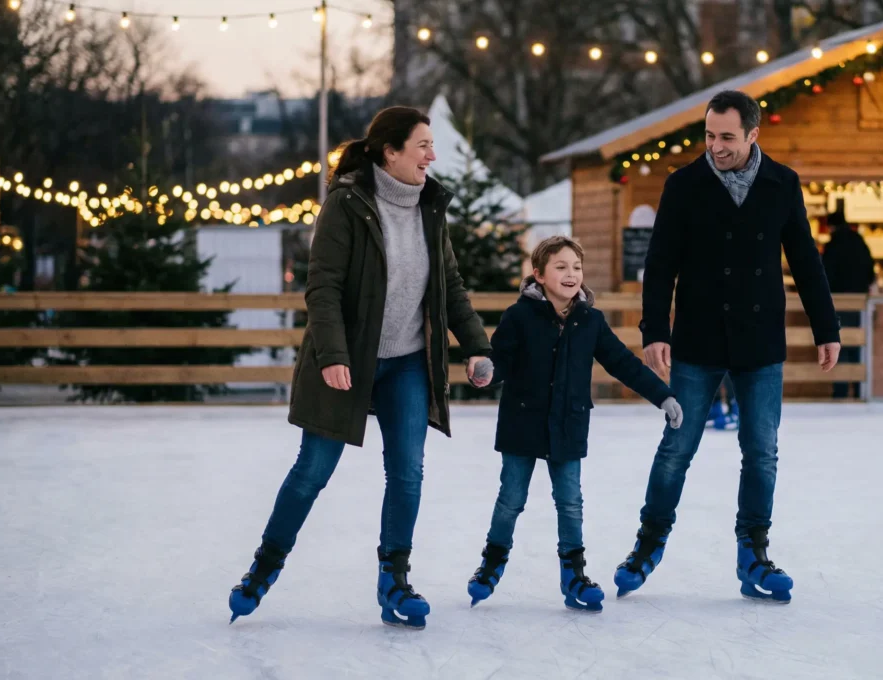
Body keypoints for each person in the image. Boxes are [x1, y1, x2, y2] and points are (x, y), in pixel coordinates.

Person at [228, 106, 494, 631]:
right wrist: (332, 357)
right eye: (422, 146)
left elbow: (451, 288)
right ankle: (263, 568)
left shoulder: (430, 206)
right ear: (390, 152)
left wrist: (477, 347)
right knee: (312, 471)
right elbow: (322, 288)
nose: (432, 156)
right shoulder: (347, 205)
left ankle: (394, 581)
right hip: (347, 360)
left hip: (407, 364)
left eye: (431, 146)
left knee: (408, 472)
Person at [614, 90, 842, 604]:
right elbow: (662, 263)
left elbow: (805, 259)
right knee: (676, 450)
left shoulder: (782, 183)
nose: (715, 146)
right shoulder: (684, 184)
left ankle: (753, 555)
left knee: (761, 453)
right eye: (709, 135)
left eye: (727, 138)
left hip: (760, 343)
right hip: (697, 340)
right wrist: (655, 331)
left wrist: (826, 327)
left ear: (753, 135)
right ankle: (648, 545)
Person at [465, 236, 682, 612]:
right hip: (522, 424)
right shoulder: (519, 316)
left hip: (568, 425)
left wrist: (662, 395)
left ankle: (575, 575)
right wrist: (485, 371)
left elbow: (623, 363)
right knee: (511, 500)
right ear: (539, 274)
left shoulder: (590, 320)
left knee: (570, 503)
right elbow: (498, 359)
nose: (570, 274)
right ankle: (491, 564)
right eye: (561, 267)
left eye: (576, 267)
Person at [820, 200, 875, 399]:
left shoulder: (833, 245)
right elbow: (870, 271)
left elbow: (824, 274)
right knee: (858, 344)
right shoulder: (859, 241)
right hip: (860, 302)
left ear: (832, 227)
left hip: (838, 301)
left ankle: (841, 391)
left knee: (839, 344)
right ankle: (860, 390)